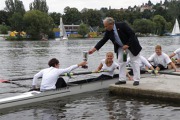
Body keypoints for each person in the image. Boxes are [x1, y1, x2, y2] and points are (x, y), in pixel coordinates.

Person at [88, 17, 142, 86]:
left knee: (134, 62)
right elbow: (103, 40)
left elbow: (132, 34)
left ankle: (136, 80)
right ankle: (122, 79)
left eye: (106, 26)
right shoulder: (108, 31)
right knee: (121, 61)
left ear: (111, 24)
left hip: (132, 45)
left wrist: (128, 45)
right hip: (121, 47)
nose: (105, 28)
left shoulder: (123, 25)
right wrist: (94, 49)